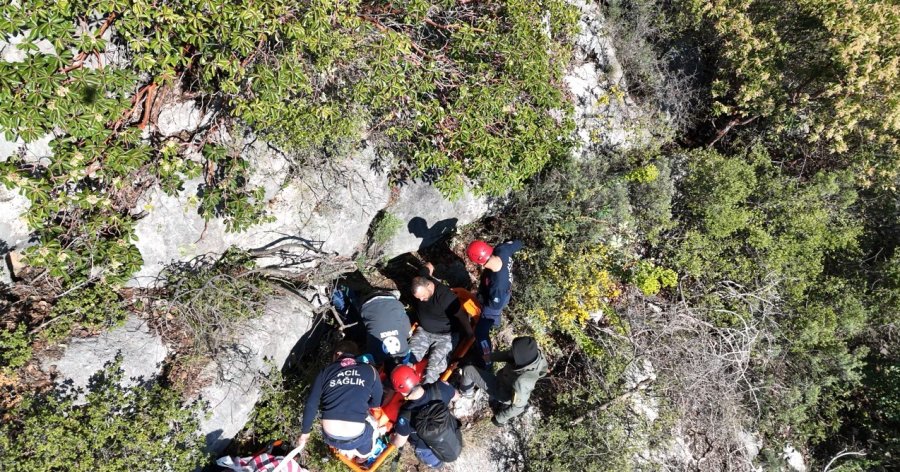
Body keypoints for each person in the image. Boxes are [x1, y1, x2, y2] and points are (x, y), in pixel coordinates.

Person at [297, 340, 383, 459]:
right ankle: (363, 456)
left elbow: (312, 403)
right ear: (356, 356)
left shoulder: (325, 372)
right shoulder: (370, 371)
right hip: (356, 435)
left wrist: (305, 433)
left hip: (330, 437)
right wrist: (362, 405)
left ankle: (346, 449)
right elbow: (377, 402)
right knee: (370, 429)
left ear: (337, 354)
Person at [409, 263, 475, 384]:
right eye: (418, 298)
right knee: (408, 359)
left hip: (444, 337)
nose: (421, 300)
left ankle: (425, 392)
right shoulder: (422, 279)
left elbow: (461, 315)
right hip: (424, 331)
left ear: (429, 286)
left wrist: (470, 334)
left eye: (423, 297)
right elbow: (428, 265)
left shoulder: (445, 297)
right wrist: (430, 268)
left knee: (433, 369)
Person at [459, 336, 547, 425]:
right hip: (506, 379)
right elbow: (509, 355)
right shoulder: (535, 356)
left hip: (501, 390)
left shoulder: (522, 382)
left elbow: (519, 407)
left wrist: (499, 419)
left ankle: (466, 394)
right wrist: (489, 357)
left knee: (468, 370)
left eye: (513, 351)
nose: (511, 351)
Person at [390, 365, 462, 468]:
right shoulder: (440, 387)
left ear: (401, 391)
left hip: (426, 447)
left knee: (433, 460)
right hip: (450, 431)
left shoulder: (405, 415)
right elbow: (456, 396)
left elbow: (399, 443)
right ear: (417, 376)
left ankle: (438, 465)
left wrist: (391, 439)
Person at [466, 239, 523, 365]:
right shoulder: (502, 250)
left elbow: (493, 306)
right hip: (502, 294)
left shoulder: (497, 286)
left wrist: (481, 301)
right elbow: (517, 243)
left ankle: (487, 359)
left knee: (480, 332)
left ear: (480, 263)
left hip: (496, 302)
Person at [359, 292, 412, 366]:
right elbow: (359, 360)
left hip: (392, 300)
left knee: (406, 329)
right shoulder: (374, 357)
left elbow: (408, 332)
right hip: (367, 304)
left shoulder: (405, 351)